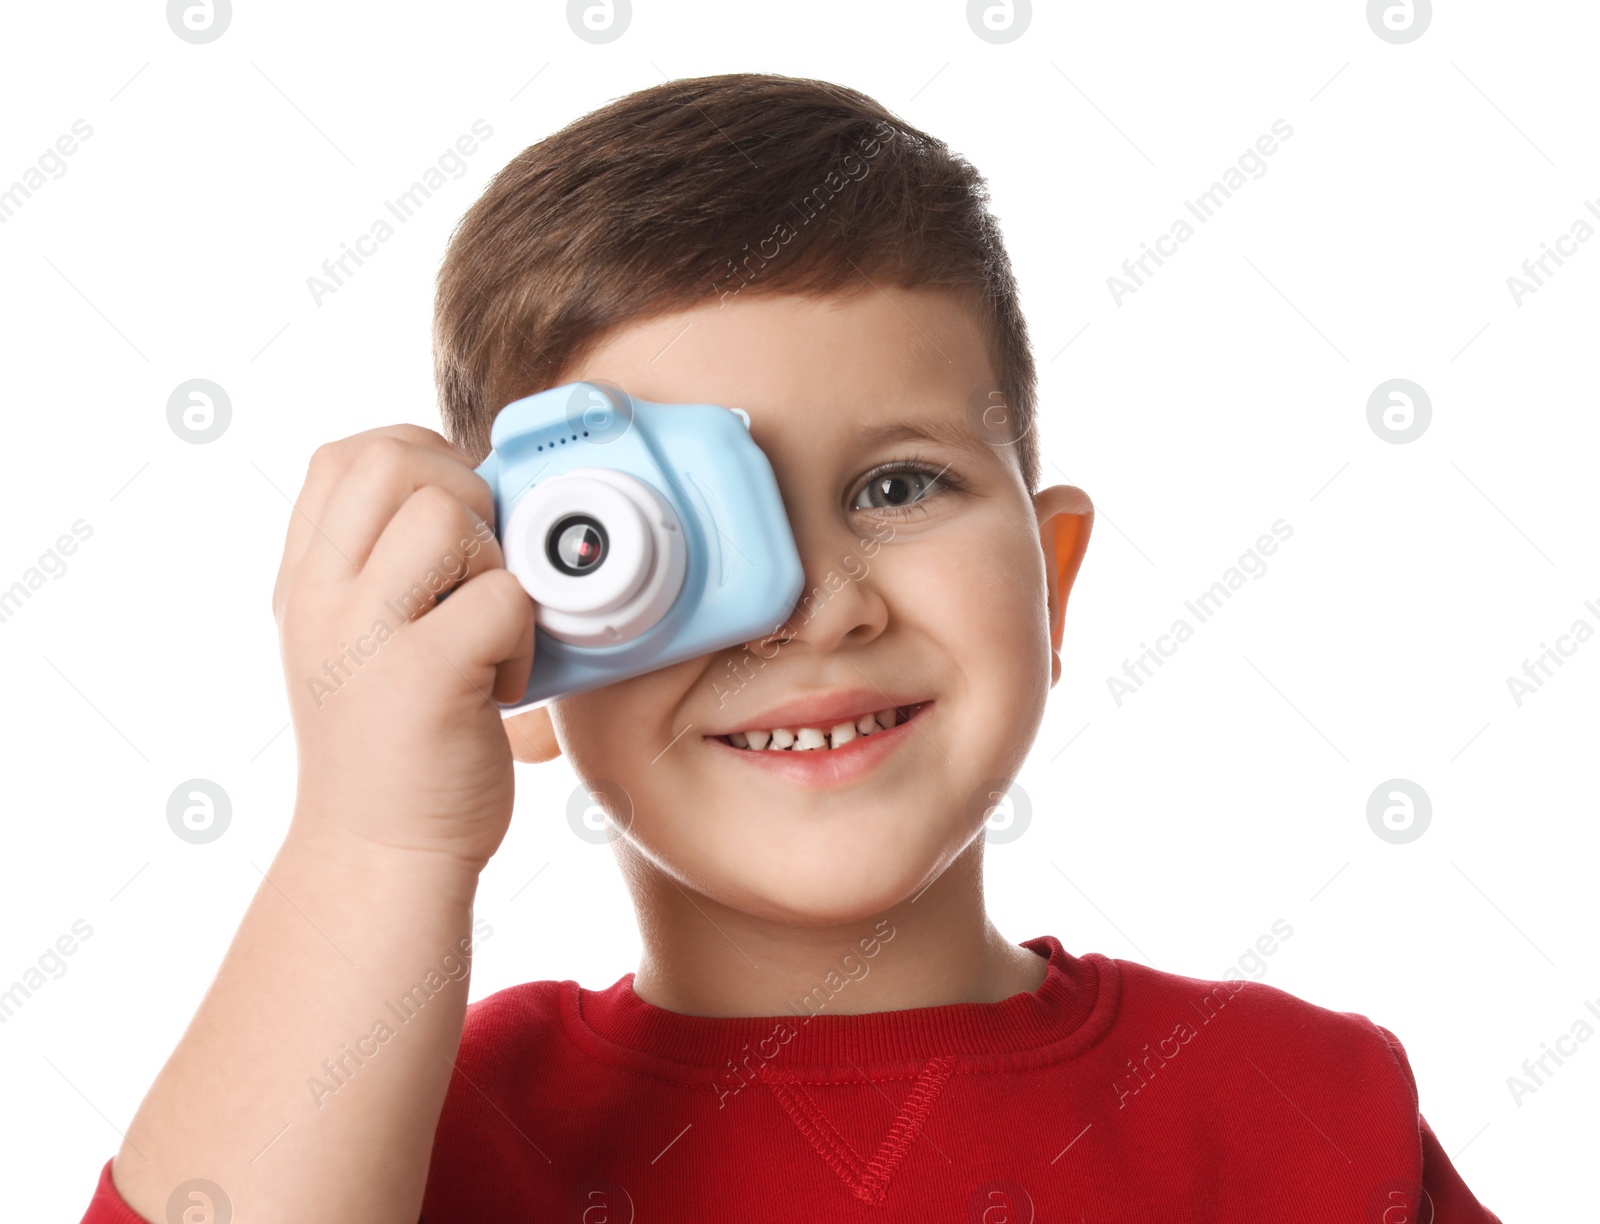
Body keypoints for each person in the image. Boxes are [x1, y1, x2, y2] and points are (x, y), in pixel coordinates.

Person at [80, 73, 1499, 1222]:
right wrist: (370, 839)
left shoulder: (1303, 1111)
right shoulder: (392, 1138)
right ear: (510, 652)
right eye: (661, 541)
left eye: (895, 487)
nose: (810, 606)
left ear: (1054, 583)